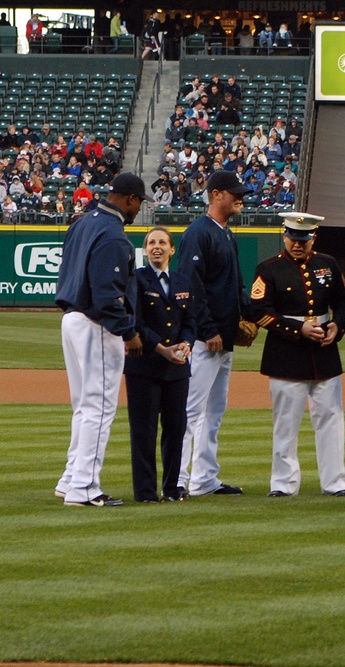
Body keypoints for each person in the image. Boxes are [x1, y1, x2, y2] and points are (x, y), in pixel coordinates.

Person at [54, 173, 152, 507]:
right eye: (139, 202)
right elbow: (107, 295)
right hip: (97, 324)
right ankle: (84, 487)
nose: (139, 209)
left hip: (72, 319)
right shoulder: (112, 234)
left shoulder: (83, 223)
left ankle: (70, 479)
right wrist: (128, 331)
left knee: (83, 406)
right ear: (129, 199)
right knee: (98, 407)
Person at [250, 212, 345, 498]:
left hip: (324, 351)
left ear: (313, 238)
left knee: (331, 420)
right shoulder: (269, 269)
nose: (298, 244)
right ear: (285, 236)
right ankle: (283, 484)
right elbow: (259, 311)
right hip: (286, 353)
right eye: (293, 238)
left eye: (304, 239)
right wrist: (299, 329)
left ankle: (335, 483)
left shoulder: (328, 264)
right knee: (285, 423)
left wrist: (337, 326)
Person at [176, 170, 253, 497]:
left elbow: (235, 286)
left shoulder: (226, 233)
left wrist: (248, 314)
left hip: (224, 339)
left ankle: (204, 478)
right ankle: (177, 479)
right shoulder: (199, 233)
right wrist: (207, 328)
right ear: (216, 194)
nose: (241, 198)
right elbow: (190, 286)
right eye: (234, 193)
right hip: (204, 340)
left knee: (214, 411)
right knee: (191, 411)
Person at [125, 227, 196, 504]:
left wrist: (187, 343)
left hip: (177, 367)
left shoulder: (183, 282)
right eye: (151, 242)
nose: (157, 247)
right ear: (144, 250)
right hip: (144, 364)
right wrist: (162, 349)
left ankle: (172, 487)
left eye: (162, 242)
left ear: (172, 249)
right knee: (144, 430)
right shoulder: (137, 279)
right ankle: (145, 492)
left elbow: (190, 321)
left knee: (176, 427)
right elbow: (137, 322)